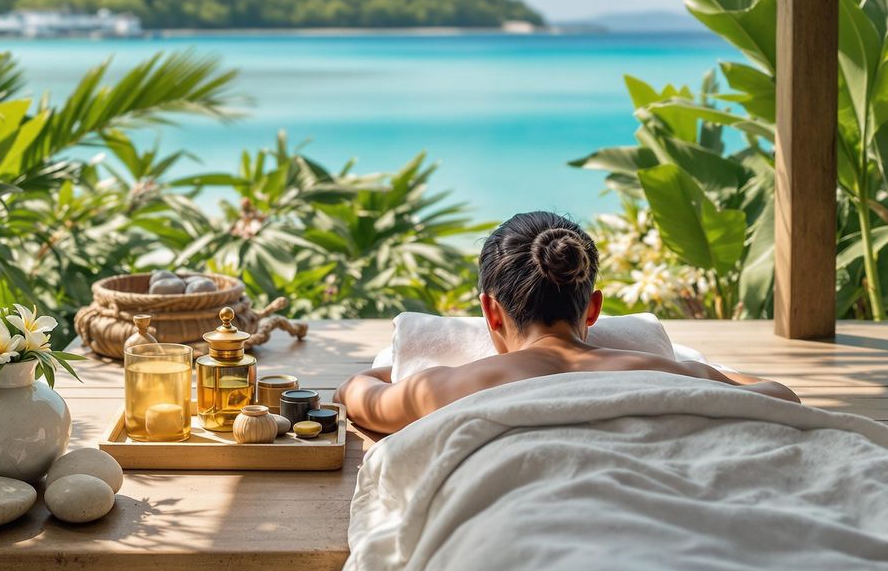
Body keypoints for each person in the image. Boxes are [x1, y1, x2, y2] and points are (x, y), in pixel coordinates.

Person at [335, 210, 799, 435]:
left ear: (491, 312)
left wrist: (386, 369)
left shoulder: (445, 386)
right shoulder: (669, 373)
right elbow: (781, 397)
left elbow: (356, 398)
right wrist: (706, 366)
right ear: (592, 308)